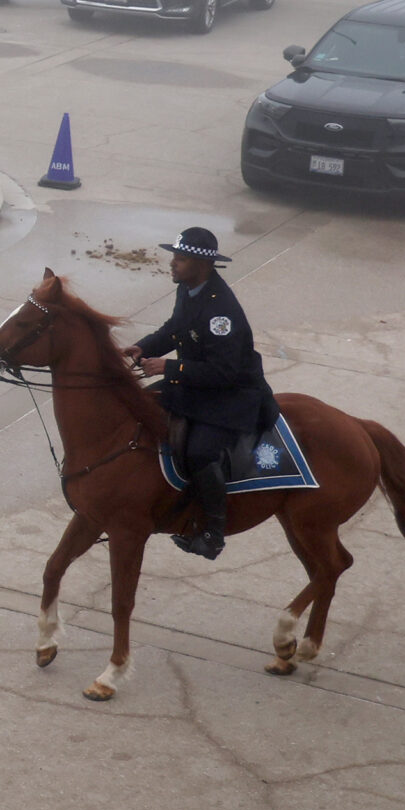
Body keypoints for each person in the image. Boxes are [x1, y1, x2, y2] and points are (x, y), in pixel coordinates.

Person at [127, 227, 271, 561]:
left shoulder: (222, 312)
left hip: (230, 395)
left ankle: (212, 533)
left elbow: (224, 372)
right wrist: (142, 347)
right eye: (174, 257)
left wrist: (168, 368)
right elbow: (174, 330)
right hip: (195, 384)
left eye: (180, 258)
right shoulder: (188, 289)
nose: (173, 264)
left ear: (202, 264)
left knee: (200, 452)